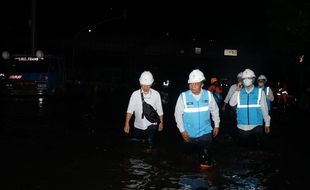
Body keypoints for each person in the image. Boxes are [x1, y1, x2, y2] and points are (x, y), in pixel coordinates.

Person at [174, 69, 220, 168]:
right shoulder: (183, 97)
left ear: (202, 84)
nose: (192, 86)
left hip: (205, 133)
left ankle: (205, 179)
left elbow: (215, 110)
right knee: (188, 159)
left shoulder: (208, 95)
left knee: (206, 161)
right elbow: (177, 114)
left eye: (196, 84)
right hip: (189, 134)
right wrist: (182, 131)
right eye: (191, 84)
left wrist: (216, 125)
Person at [229, 69, 271, 148]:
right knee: (243, 149)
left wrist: (267, 123)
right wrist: (237, 90)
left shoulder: (259, 92)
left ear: (253, 79)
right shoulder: (239, 92)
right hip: (242, 126)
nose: (246, 80)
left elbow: (264, 109)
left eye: (248, 78)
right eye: (244, 78)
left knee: (256, 150)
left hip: (256, 126)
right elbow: (231, 103)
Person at [123, 71, 164, 148]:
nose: (145, 87)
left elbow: (160, 110)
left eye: (148, 85)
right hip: (138, 125)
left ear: (151, 84)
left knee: (149, 144)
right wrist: (126, 124)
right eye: (143, 85)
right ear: (140, 83)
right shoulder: (135, 94)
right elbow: (130, 110)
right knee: (138, 145)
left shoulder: (156, 94)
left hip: (152, 124)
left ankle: (149, 157)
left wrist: (161, 123)